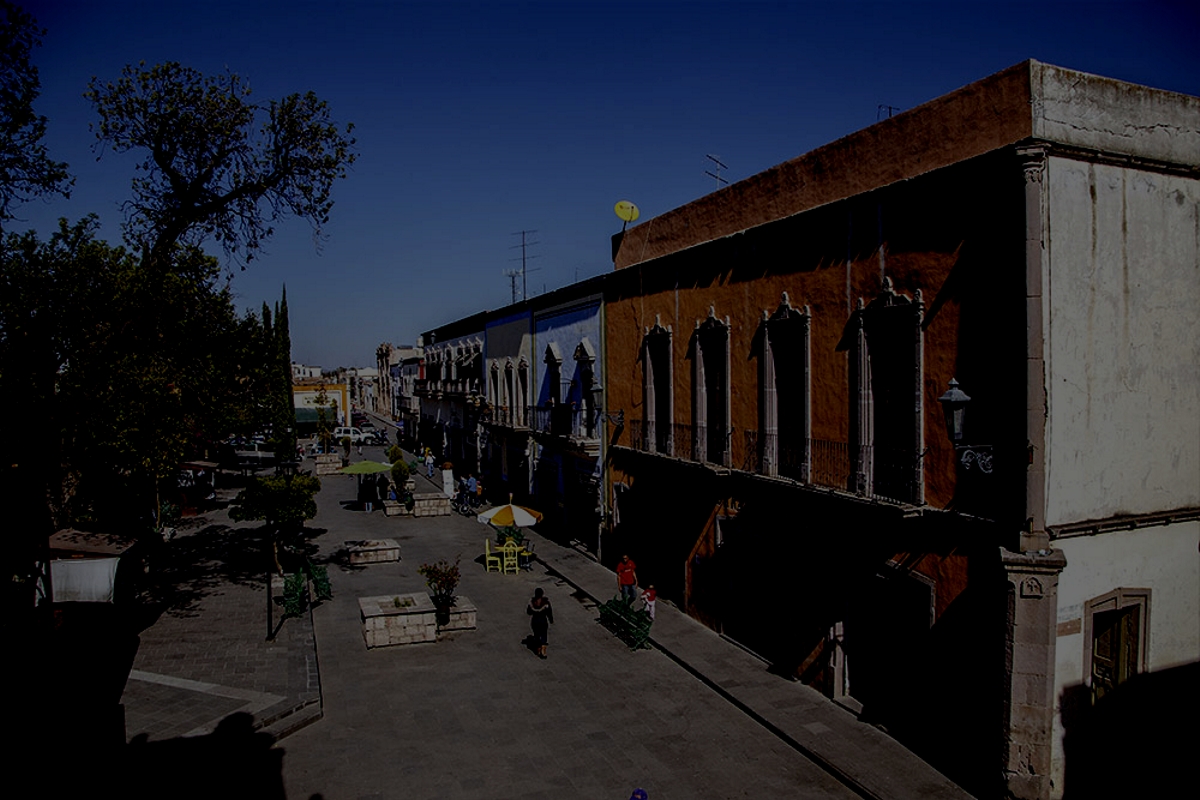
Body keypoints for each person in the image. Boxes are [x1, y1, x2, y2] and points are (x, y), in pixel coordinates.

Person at [526, 587, 554, 658]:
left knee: (537, 635)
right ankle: (543, 651)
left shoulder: (532, 602)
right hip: (543, 621)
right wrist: (551, 620)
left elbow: (529, 612)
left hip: (535, 621)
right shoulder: (545, 603)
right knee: (544, 634)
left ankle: (538, 649)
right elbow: (549, 612)